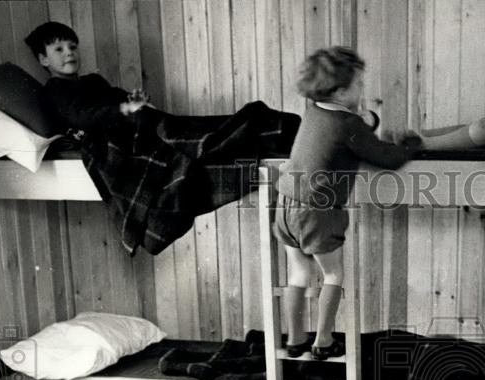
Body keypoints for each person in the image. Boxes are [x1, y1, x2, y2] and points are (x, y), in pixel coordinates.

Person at [26, 22, 301, 254]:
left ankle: (272, 128)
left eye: (72, 47)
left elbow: (117, 97)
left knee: (193, 127)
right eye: (58, 49)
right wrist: (125, 109)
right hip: (117, 136)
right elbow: (83, 117)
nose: (69, 53)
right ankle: (268, 131)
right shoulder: (55, 90)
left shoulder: (93, 81)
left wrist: (132, 100)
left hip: (136, 124)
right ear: (44, 60)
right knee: (189, 137)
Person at [274, 47, 410, 359]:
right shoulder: (350, 126)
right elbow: (385, 158)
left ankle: (295, 340)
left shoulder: (314, 113)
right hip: (317, 212)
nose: (363, 90)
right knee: (333, 275)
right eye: (360, 86)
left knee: (298, 274)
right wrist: (409, 146)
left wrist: (366, 121)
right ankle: (323, 341)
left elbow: (350, 130)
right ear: (341, 92)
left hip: (285, 203)